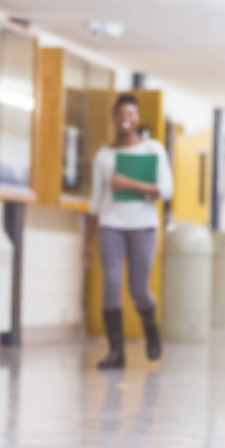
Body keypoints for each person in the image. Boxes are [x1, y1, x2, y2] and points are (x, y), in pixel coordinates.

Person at [86, 93, 175, 370]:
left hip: (143, 226)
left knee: (139, 289)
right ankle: (116, 352)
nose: (126, 120)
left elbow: (166, 189)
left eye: (131, 115)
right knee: (111, 285)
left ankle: (151, 329)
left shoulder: (153, 150)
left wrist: (129, 184)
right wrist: (86, 246)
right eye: (121, 115)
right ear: (114, 119)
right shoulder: (104, 156)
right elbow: (95, 201)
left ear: (138, 118)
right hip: (111, 224)